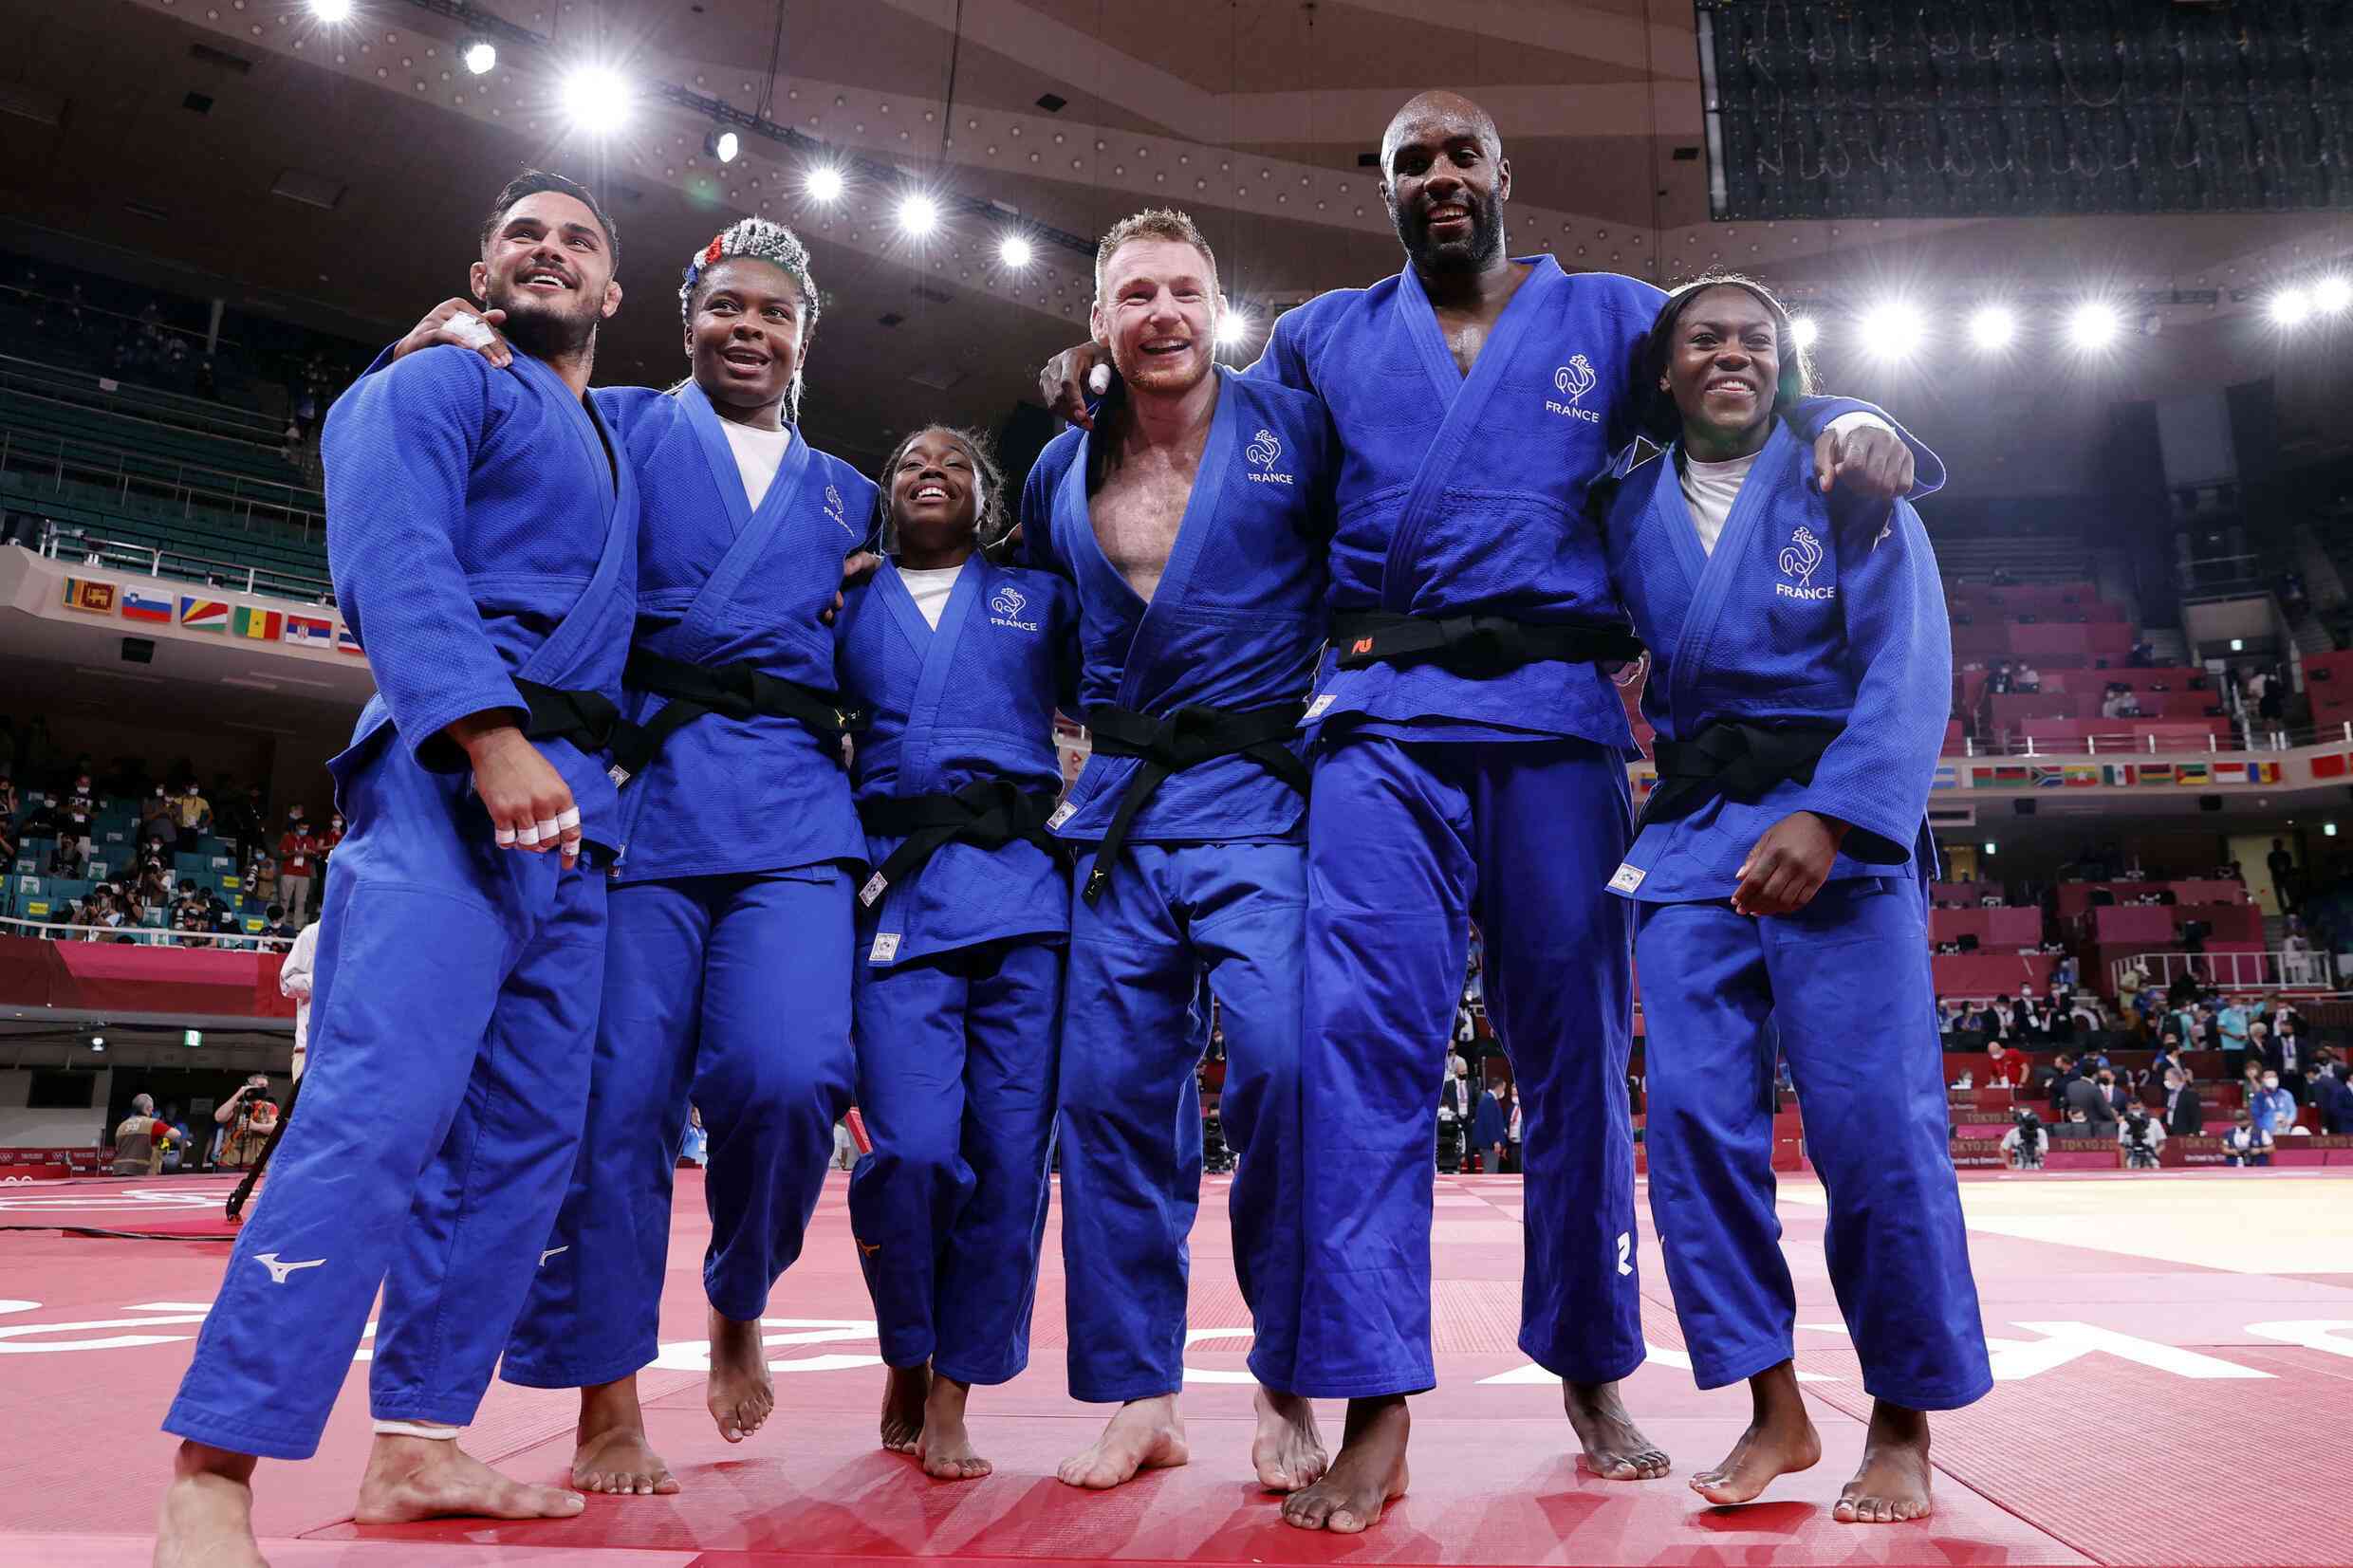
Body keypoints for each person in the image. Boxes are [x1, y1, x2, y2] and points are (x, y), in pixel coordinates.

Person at [1048, 94, 1918, 1532]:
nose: (1441, 178)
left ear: (1506, 174)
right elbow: (1204, 407)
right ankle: (1376, 1401)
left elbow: (1742, 379)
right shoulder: (1326, 334)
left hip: (1561, 723)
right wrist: (1098, 369)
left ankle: (1588, 1361)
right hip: (1383, 728)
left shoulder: (1617, 314)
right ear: (1382, 188)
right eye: (1412, 164)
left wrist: (1856, 412)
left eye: (1461, 157)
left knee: (1574, 1055)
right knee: (1357, 1051)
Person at [153, 169, 637, 1565]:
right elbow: (390, 555)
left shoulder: (609, 433)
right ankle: (214, 1467)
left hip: (581, 820)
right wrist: (487, 735)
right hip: (452, 784)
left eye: (578, 242)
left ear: (610, 294)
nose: (547, 252)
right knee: (375, 1114)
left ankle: (422, 1438)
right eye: (521, 236)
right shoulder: (432, 386)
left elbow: (740, 443)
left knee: (522, 1143)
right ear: (482, 271)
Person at [392, 215, 879, 1498]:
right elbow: (478, 386)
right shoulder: (609, 424)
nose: (751, 329)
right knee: (612, 1110)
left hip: (793, 813)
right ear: (682, 317)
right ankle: (610, 1398)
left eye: (776, 311)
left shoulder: (850, 494)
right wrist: (453, 328)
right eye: (728, 306)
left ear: (804, 334)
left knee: (790, 1076)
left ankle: (739, 1293)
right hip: (644, 793)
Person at [1595, 272, 1987, 1522]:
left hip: (1838, 832)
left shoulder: (1850, 480)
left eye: (1755, 341)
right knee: (1695, 1137)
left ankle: (1904, 1418)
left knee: (1875, 1131)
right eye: (1704, 339)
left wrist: (1833, 816)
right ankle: (1773, 1407)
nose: (1731, 356)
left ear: (1789, 363)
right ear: (1665, 371)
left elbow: (1910, 662)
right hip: (1696, 837)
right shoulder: (1626, 511)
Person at [1020, 207, 1335, 1497]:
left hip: (1262, 803)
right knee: (1104, 1104)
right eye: (1134, 293)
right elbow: (1048, 649)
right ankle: (1143, 1393)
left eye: (1184, 292)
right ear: (1097, 322)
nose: (1161, 313)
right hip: (1122, 823)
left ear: (1220, 311)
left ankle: (1290, 1373)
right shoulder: (1058, 474)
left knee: (1282, 1073)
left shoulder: (1297, 436)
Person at [834, 424, 1075, 1479]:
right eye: (907, 465)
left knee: (1011, 1162)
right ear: (882, 500)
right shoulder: (844, 602)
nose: (927, 472)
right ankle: (904, 1336)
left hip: (1023, 892)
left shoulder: (1040, 598)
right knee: (914, 1151)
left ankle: (951, 1388)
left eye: (953, 466)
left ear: (989, 503)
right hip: (902, 888)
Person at [212, 1076, 279, 1170]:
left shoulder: (270, 1107)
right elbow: (219, 1117)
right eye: (261, 1085)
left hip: (256, 1166)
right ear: (249, 1086)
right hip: (229, 1164)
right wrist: (238, 1094)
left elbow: (275, 1128)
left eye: (266, 1086)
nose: (264, 1089)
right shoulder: (236, 1106)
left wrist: (256, 1127)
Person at [113, 1093, 182, 1176]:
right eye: (152, 1109)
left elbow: (118, 1148)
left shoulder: (122, 1125)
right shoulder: (153, 1123)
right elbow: (176, 1134)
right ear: (148, 1108)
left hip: (119, 1170)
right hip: (141, 1172)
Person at [276, 806, 320, 924]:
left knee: (300, 901)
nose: (304, 830)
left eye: (306, 829)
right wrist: (296, 852)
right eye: (302, 828)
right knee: (284, 900)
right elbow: (282, 855)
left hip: (304, 874)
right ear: (297, 827)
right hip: (288, 872)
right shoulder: (287, 838)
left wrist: (311, 853)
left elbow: (316, 855)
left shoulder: (310, 840)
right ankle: (280, 924)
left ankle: (297, 927)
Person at [1471, 1079, 1508, 1173]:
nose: (1504, 1091)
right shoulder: (1489, 1100)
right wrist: (1495, 1141)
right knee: (1490, 1173)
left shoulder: (1488, 1099)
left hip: (1489, 1144)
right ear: (1499, 1087)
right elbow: (1489, 1123)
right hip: (1489, 1145)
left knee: (1491, 1171)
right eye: (1503, 1088)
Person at [2251, 1071, 2297, 1136]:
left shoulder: (2286, 1094)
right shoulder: (2259, 1097)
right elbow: (2256, 1116)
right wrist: (2270, 1126)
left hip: (2286, 1129)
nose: (2272, 1079)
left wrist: (2288, 1122)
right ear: (2263, 1079)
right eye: (2269, 1077)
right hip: (2267, 1132)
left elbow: (2293, 1111)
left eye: (2274, 1077)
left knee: (2300, 1130)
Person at [2161, 1069, 2203, 1138]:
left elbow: (2197, 1115)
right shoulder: (2168, 1092)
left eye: (2167, 1078)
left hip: (2184, 1131)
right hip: (2170, 1131)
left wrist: (2194, 1132)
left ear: (2175, 1078)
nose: (2165, 1081)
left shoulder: (2190, 1093)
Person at [2269, 838, 2297, 913]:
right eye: (2275, 844)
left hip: (2286, 876)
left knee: (2290, 893)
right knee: (2279, 894)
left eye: (2277, 844)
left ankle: (2292, 908)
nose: (2276, 846)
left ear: (2281, 845)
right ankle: (2283, 909)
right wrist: (2278, 869)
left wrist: (2284, 869)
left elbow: (2289, 864)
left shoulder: (2285, 854)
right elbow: (2270, 866)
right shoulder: (2271, 855)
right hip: (2277, 877)